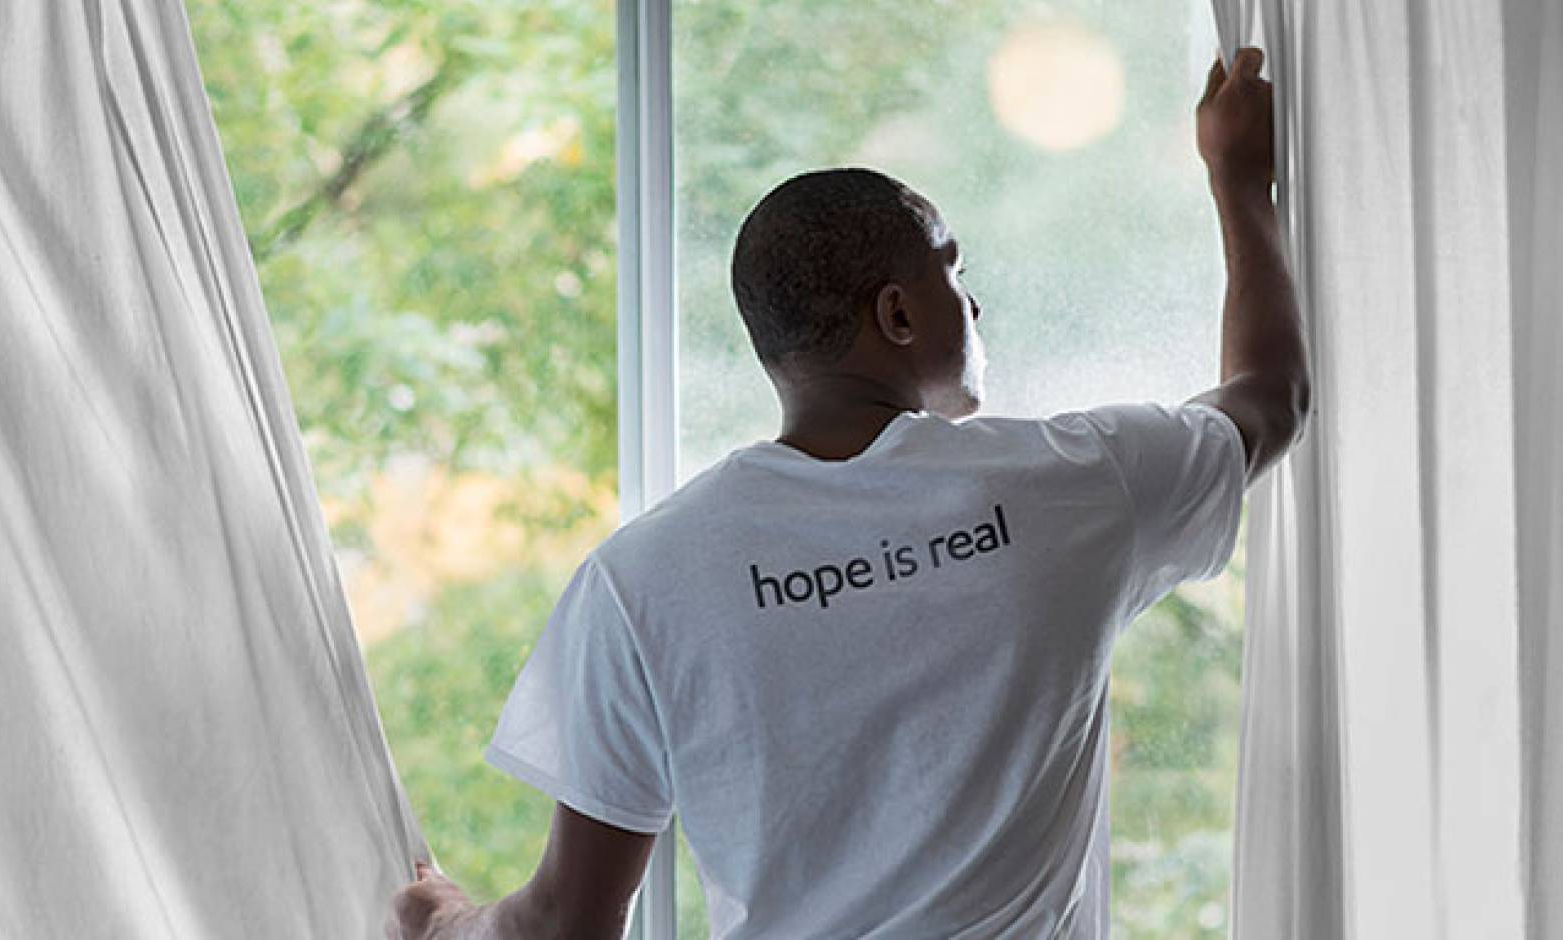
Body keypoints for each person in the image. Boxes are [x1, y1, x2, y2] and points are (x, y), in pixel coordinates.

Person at [387, 44, 1308, 940]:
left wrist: (446, 926)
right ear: (897, 314)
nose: (973, 306)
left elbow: (566, 925)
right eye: (953, 269)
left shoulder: (640, 581)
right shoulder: (1069, 487)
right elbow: (1272, 398)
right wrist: (1239, 183)